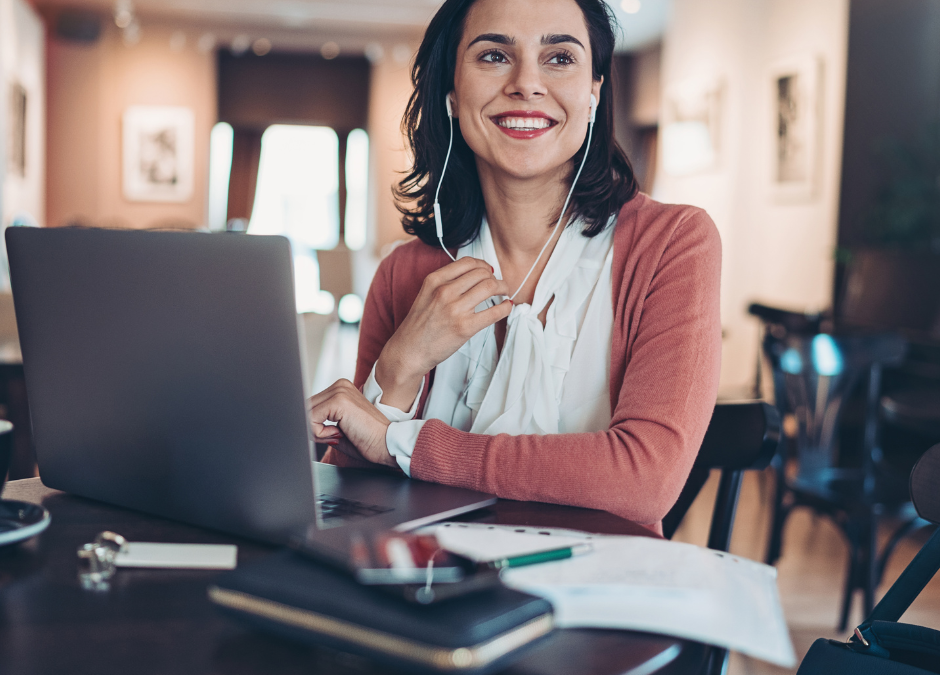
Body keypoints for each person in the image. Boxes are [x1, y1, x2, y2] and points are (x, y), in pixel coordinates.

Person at [308, 0, 721, 534]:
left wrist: (402, 443)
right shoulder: (403, 272)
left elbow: (645, 481)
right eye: (495, 55)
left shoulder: (673, 244)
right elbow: (352, 504)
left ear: (594, 90)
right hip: (432, 594)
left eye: (560, 58)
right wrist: (400, 365)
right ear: (452, 93)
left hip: (598, 596)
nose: (527, 83)